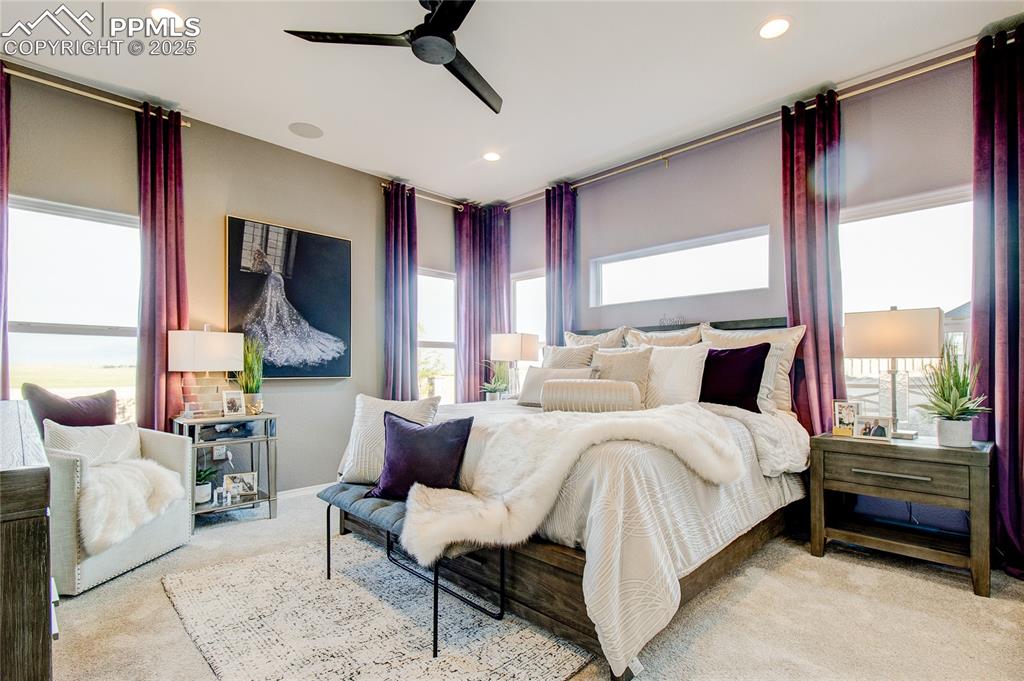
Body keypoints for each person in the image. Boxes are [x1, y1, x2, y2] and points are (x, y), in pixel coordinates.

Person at [244, 247, 346, 368]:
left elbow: (265, 274)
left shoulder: (268, 268)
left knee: (276, 314)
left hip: (274, 279)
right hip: (273, 279)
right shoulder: (265, 266)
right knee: (270, 313)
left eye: (258, 255)